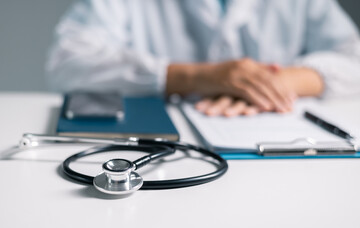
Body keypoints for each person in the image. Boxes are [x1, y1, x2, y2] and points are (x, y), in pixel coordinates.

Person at [47, 0, 360, 117]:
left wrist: (275, 82)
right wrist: (195, 77)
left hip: (273, 130)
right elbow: (67, 61)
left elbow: (353, 56)